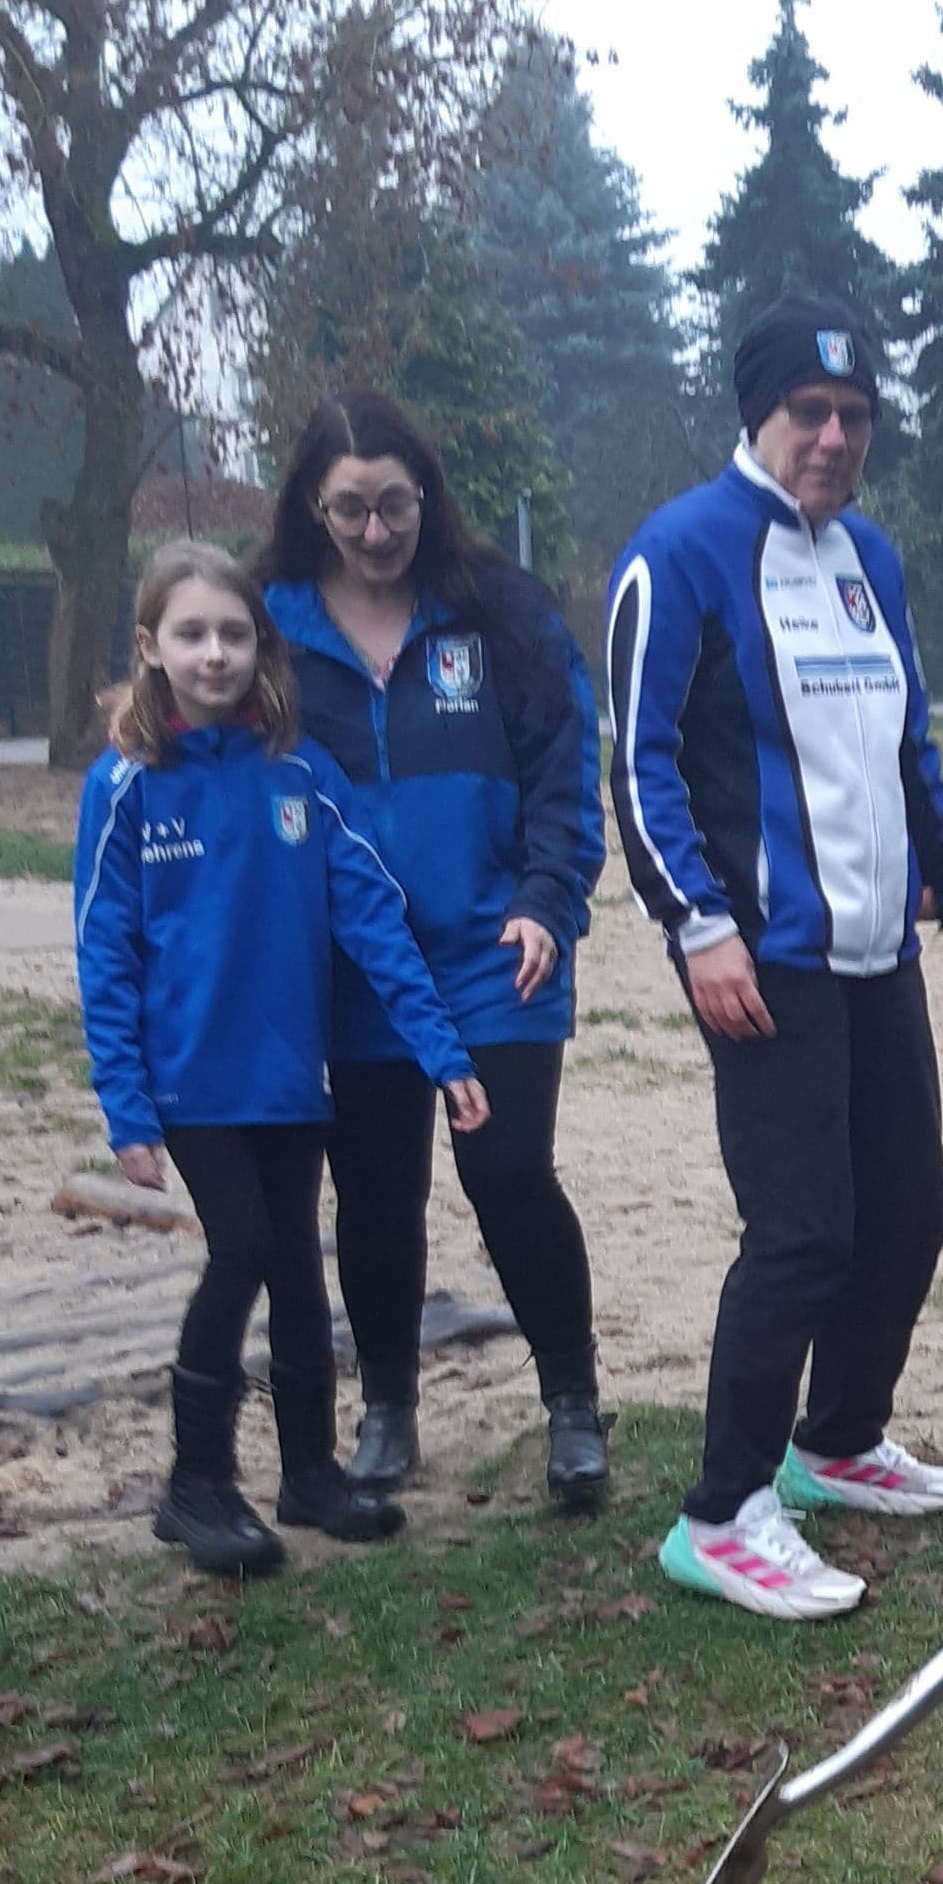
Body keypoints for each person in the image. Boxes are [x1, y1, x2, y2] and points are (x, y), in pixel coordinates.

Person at [605, 295, 943, 1623]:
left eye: (855, 418)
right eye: (808, 415)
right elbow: (639, 761)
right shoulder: (682, 553)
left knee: (908, 1212)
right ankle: (722, 1513)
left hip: (876, 949)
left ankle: (836, 1441)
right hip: (762, 956)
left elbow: (909, 743)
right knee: (803, 1234)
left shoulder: (870, 559)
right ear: (757, 416)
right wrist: (696, 925)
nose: (833, 438)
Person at [74, 541, 489, 1580]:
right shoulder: (125, 786)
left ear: (262, 645)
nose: (213, 653)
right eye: (190, 633)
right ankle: (196, 1484)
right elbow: (104, 953)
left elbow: (374, 918)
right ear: (151, 647)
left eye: (233, 632)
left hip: (292, 1077)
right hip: (191, 1084)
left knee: (301, 1265)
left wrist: (441, 1050)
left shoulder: (301, 775)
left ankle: (307, 1470)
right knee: (245, 1249)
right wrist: (127, 1110)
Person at [263, 392, 611, 1514]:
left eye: (396, 504)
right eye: (352, 509)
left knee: (507, 1171)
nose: (377, 531)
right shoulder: (268, 627)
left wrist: (547, 898)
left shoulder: (499, 611)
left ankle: (570, 1405)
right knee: (372, 1194)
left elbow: (566, 766)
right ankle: (389, 1416)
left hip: (492, 954)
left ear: (428, 496)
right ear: (315, 508)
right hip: (352, 966)